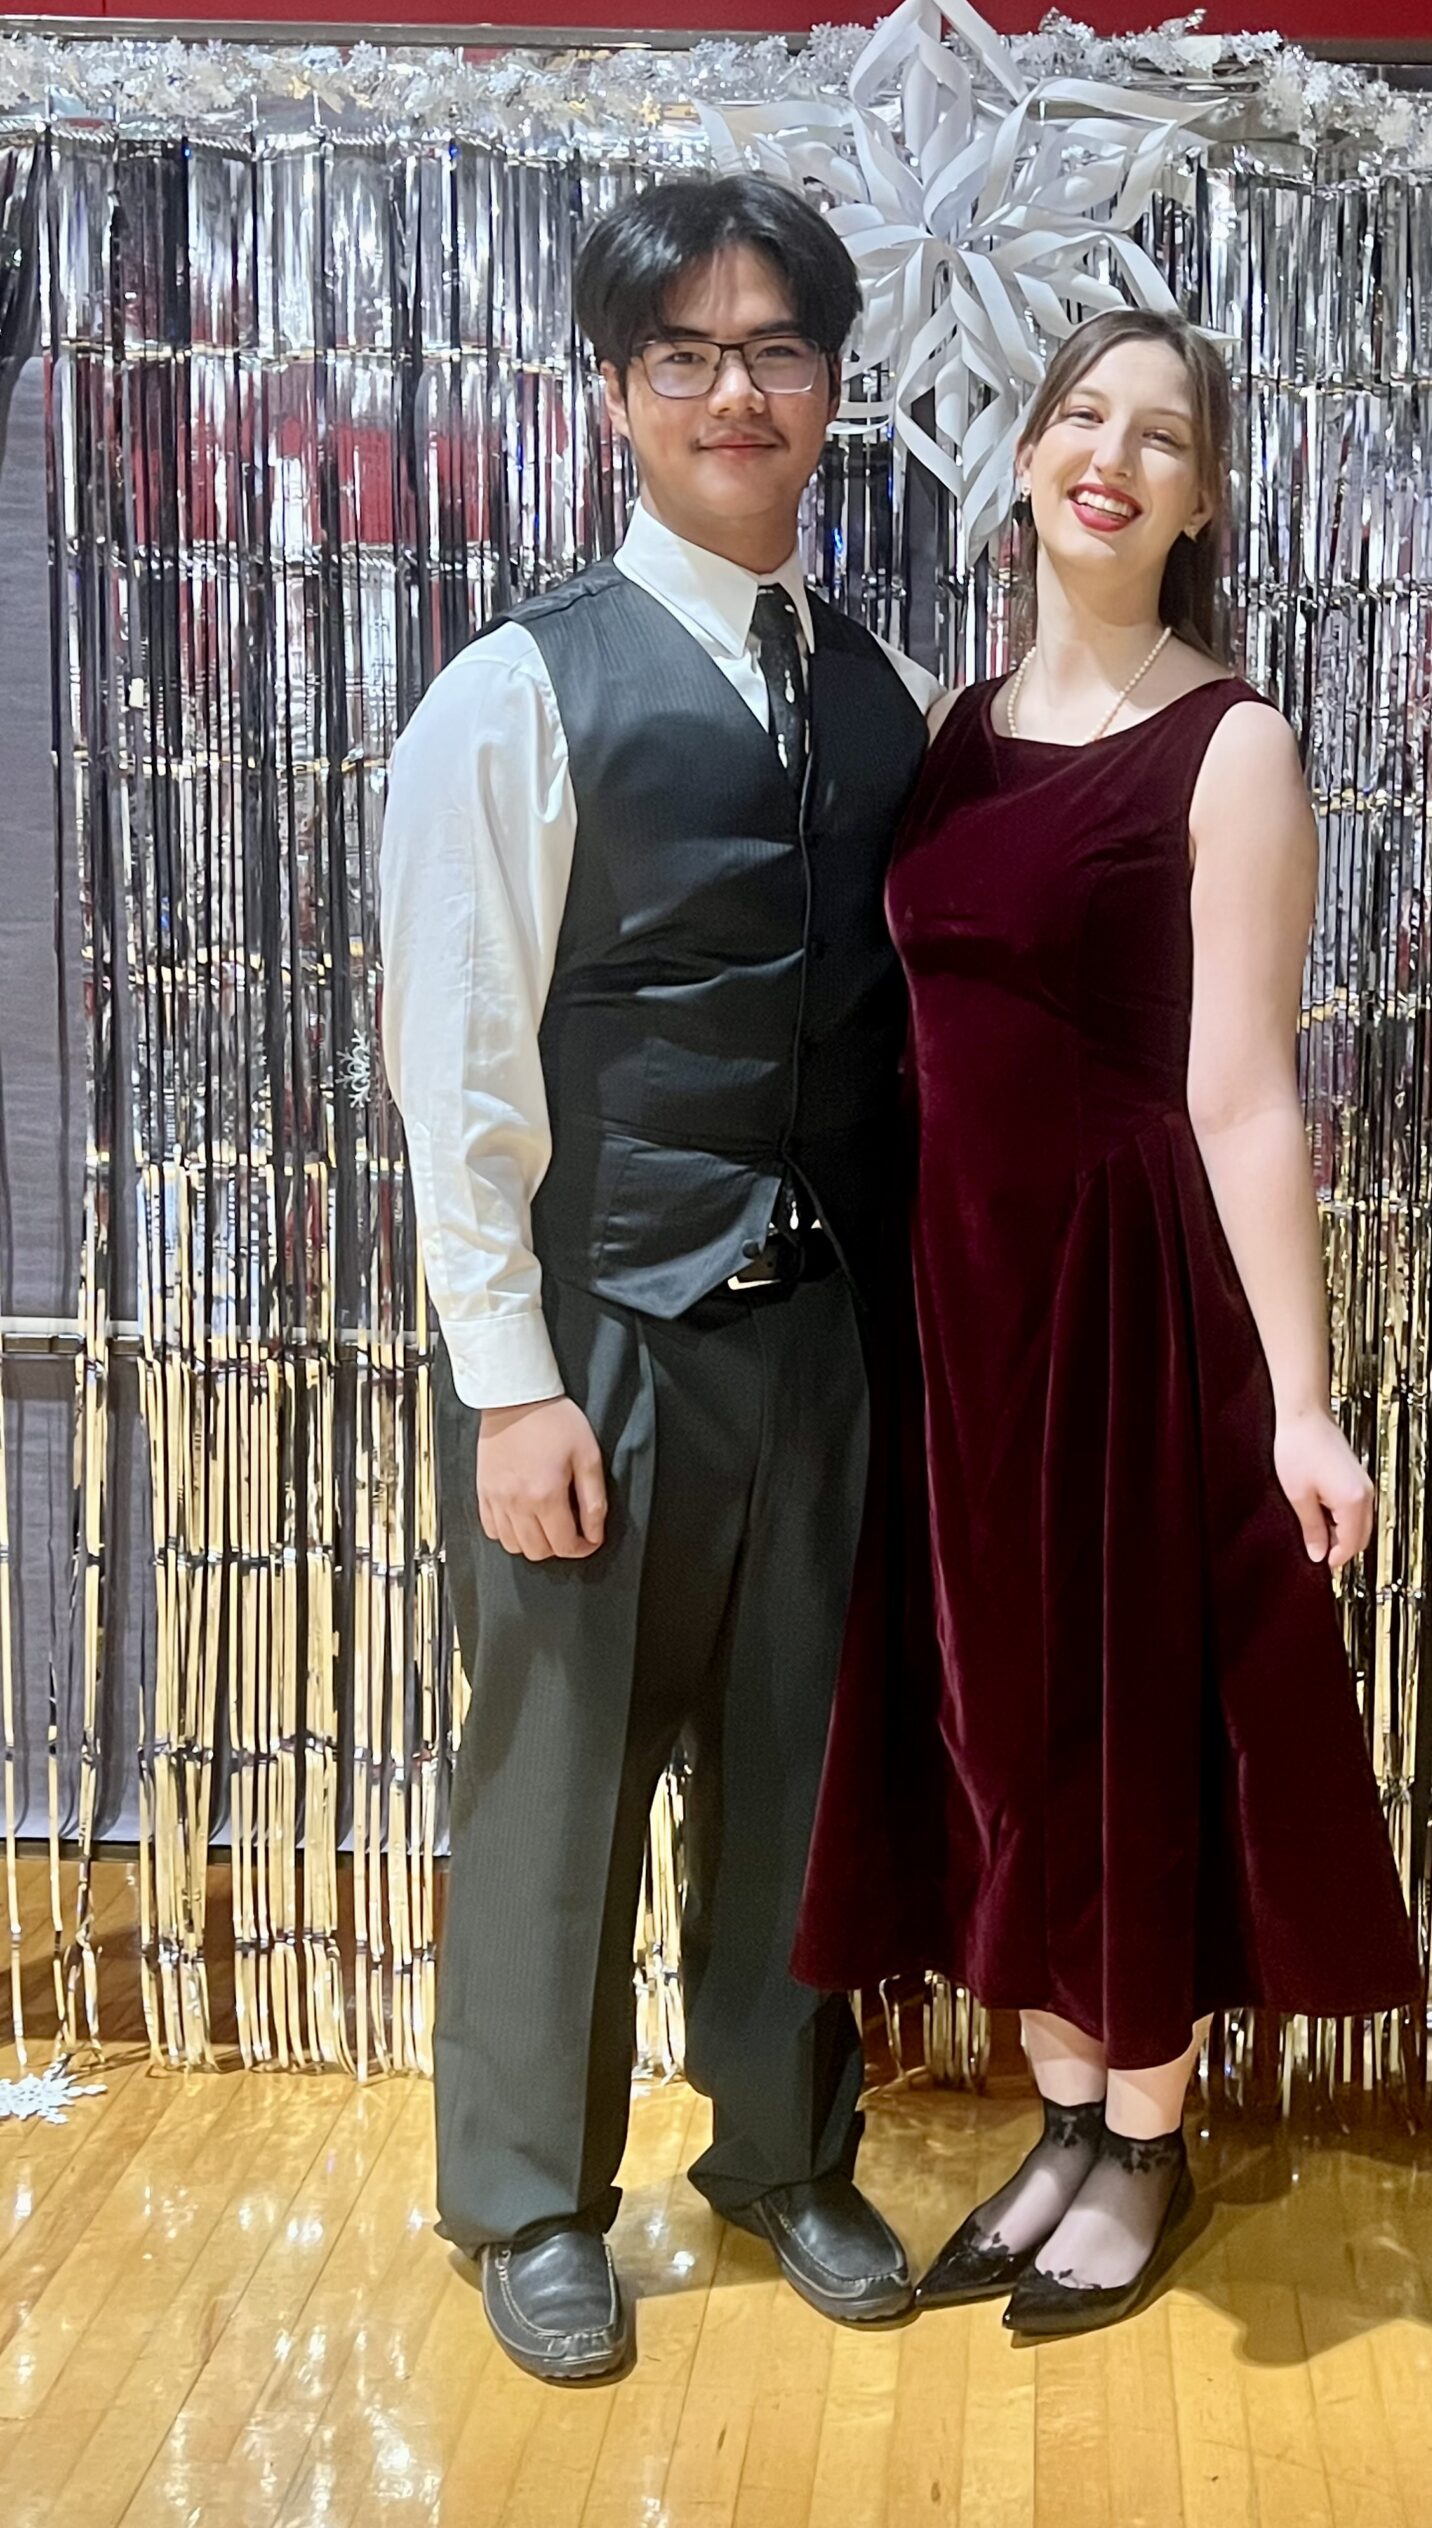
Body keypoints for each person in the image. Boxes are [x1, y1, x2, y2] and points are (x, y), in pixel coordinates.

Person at [792, 308, 1423, 2338]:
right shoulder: (955, 728)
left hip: (1130, 1302)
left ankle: (1146, 2136)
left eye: (1161, 437)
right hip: (953, 1306)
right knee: (995, 1722)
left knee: (1123, 1718)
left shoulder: (1232, 743)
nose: (1112, 458)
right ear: (1026, 457)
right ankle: (1063, 2113)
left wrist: (1302, 1404)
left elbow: (1244, 1092)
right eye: (1082, 417)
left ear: (1202, 497)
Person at [379, 174, 937, 2383]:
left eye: (776, 349)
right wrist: (507, 1381)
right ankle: (529, 2195)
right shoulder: (515, 690)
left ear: (830, 387)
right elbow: (457, 1062)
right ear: (617, 392)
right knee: (558, 1779)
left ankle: (785, 2149)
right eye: (687, 354)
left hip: (825, 1333)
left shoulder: (888, 691)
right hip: (598, 1328)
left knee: (804, 1761)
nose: (736, 392)